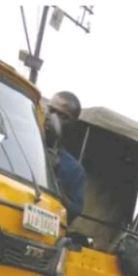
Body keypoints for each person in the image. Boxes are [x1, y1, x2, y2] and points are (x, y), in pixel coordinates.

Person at [47, 91, 86, 223]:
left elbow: (71, 214)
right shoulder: (20, 144)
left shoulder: (73, 169)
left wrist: (54, 177)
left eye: (62, 116)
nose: (53, 118)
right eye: (51, 110)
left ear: (72, 124)